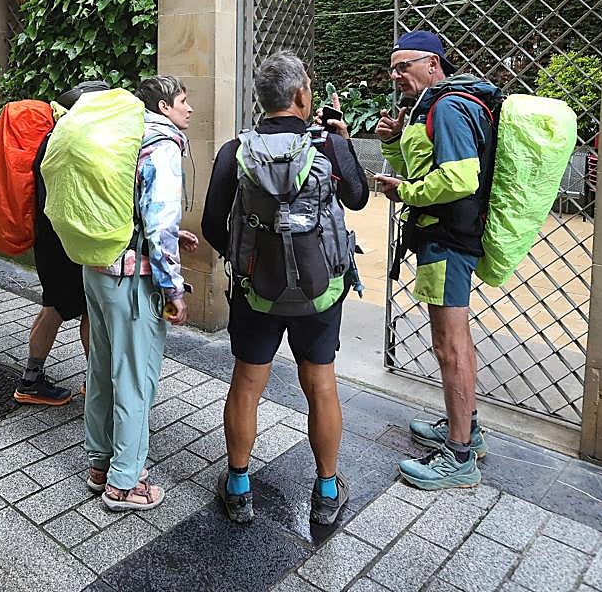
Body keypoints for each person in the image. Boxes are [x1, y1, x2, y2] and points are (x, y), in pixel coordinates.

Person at [203, 51, 367, 526]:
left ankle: (238, 486)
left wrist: (247, 261)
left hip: (256, 289)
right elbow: (358, 198)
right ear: (300, 96)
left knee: (247, 383)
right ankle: (327, 489)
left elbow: (212, 224)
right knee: (320, 383)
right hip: (320, 291)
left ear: (261, 100)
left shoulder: (235, 151)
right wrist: (343, 141)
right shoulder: (327, 147)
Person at [373, 29, 500, 490]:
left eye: (403, 66)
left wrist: (405, 192)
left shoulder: (446, 107)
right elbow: (422, 167)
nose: (395, 75)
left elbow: (460, 179)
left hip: (445, 240)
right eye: (392, 67)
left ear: (432, 64)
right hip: (445, 237)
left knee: (449, 345)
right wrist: (393, 143)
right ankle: (467, 427)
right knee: (457, 341)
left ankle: (460, 457)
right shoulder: (436, 105)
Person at [84, 76, 198, 511]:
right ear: (164, 106)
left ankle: (101, 463)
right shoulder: (162, 145)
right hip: (132, 280)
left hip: (97, 267)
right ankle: (125, 483)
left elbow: (128, 206)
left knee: (101, 369)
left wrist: (161, 236)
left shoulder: (119, 134)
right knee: (134, 377)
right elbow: (159, 218)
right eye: (183, 100)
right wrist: (173, 288)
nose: (189, 109)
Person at [13, 80, 109, 406]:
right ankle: (94, 384)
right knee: (87, 311)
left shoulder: (55, 137)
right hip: (67, 245)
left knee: (54, 308)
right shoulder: (69, 142)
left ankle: (32, 379)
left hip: (52, 243)